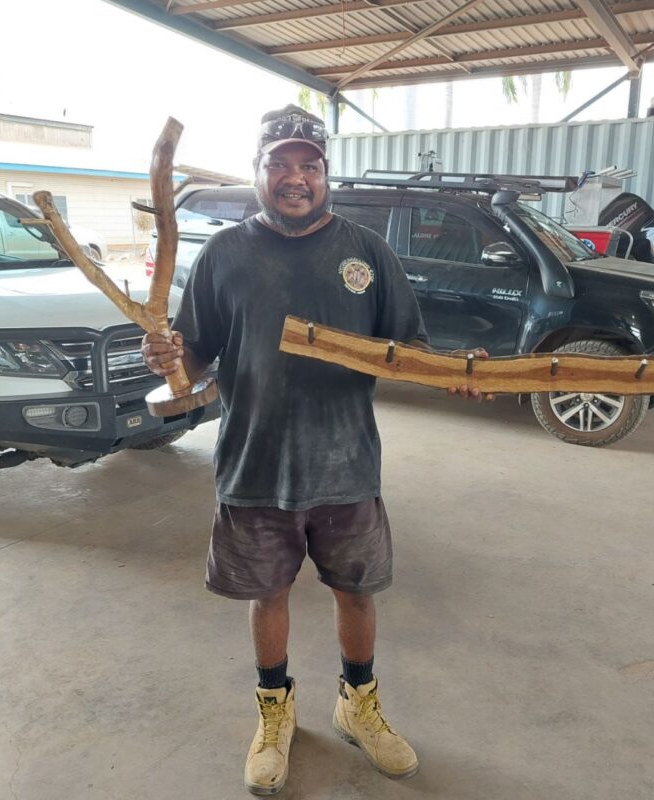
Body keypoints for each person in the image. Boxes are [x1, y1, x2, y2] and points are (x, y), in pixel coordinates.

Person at [141, 105, 489, 795]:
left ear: (326, 174)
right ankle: (275, 714)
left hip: (346, 463)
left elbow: (411, 350)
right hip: (255, 460)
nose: (296, 179)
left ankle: (357, 705)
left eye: (309, 166)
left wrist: (459, 371)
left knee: (356, 593)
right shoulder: (225, 253)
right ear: (259, 172)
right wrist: (167, 357)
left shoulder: (365, 251)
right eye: (281, 165)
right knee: (267, 594)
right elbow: (196, 356)